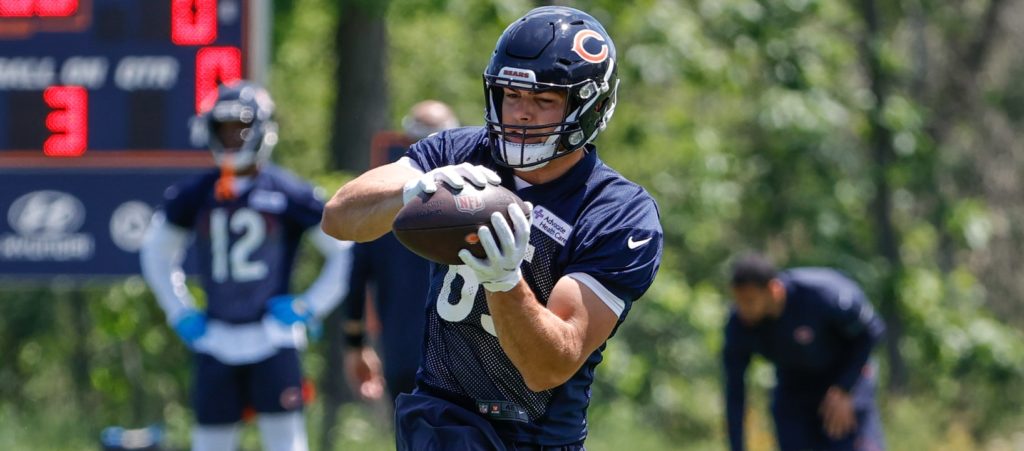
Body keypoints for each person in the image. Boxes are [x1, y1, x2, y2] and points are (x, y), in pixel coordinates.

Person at [321, 6, 663, 450]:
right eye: (511, 94)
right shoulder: (457, 152)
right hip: (441, 416)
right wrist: (411, 190)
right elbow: (338, 218)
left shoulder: (617, 213)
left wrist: (504, 280)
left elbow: (548, 368)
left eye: (544, 100)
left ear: (589, 107)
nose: (521, 113)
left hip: (535, 435)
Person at [139, 80, 352, 451]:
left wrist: (310, 305)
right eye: (223, 129)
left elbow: (345, 250)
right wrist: (178, 310)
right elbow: (155, 252)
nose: (232, 137)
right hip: (216, 337)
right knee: (210, 443)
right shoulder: (195, 194)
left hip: (273, 336)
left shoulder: (288, 192)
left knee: (286, 442)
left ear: (261, 130)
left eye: (239, 128)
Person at [341, 100, 461, 403]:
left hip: (406, 352)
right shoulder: (475, 200)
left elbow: (356, 277)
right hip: (459, 355)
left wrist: (355, 343)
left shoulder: (382, 204)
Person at [723, 253, 886, 451]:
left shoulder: (822, 294)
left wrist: (844, 388)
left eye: (749, 300)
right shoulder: (739, 324)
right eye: (738, 301)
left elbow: (870, 333)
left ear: (773, 289)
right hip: (794, 386)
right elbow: (734, 390)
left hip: (846, 376)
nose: (743, 309)